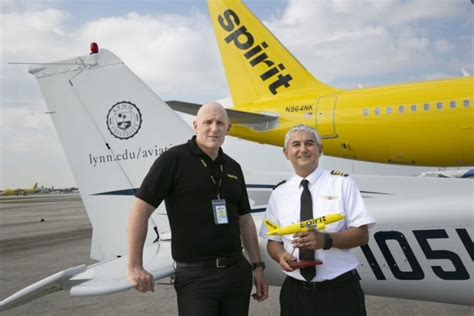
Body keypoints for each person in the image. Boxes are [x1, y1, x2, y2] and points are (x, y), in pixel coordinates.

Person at [127, 102, 268, 316]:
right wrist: (134, 266)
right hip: (196, 277)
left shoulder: (232, 167)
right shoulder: (173, 160)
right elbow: (140, 211)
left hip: (236, 272)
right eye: (208, 122)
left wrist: (257, 266)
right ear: (195, 125)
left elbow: (245, 220)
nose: (214, 128)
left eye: (220, 123)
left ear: (228, 129)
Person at [259, 124, 375, 316]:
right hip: (295, 294)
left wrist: (326, 240)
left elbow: (362, 235)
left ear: (320, 150)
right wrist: (280, 256)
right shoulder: (279, 193)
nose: (303, 149)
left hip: (340, 292)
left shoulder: (342, 183)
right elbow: (273, 241)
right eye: (296, 144)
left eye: (309, 143)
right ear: (286, 153)